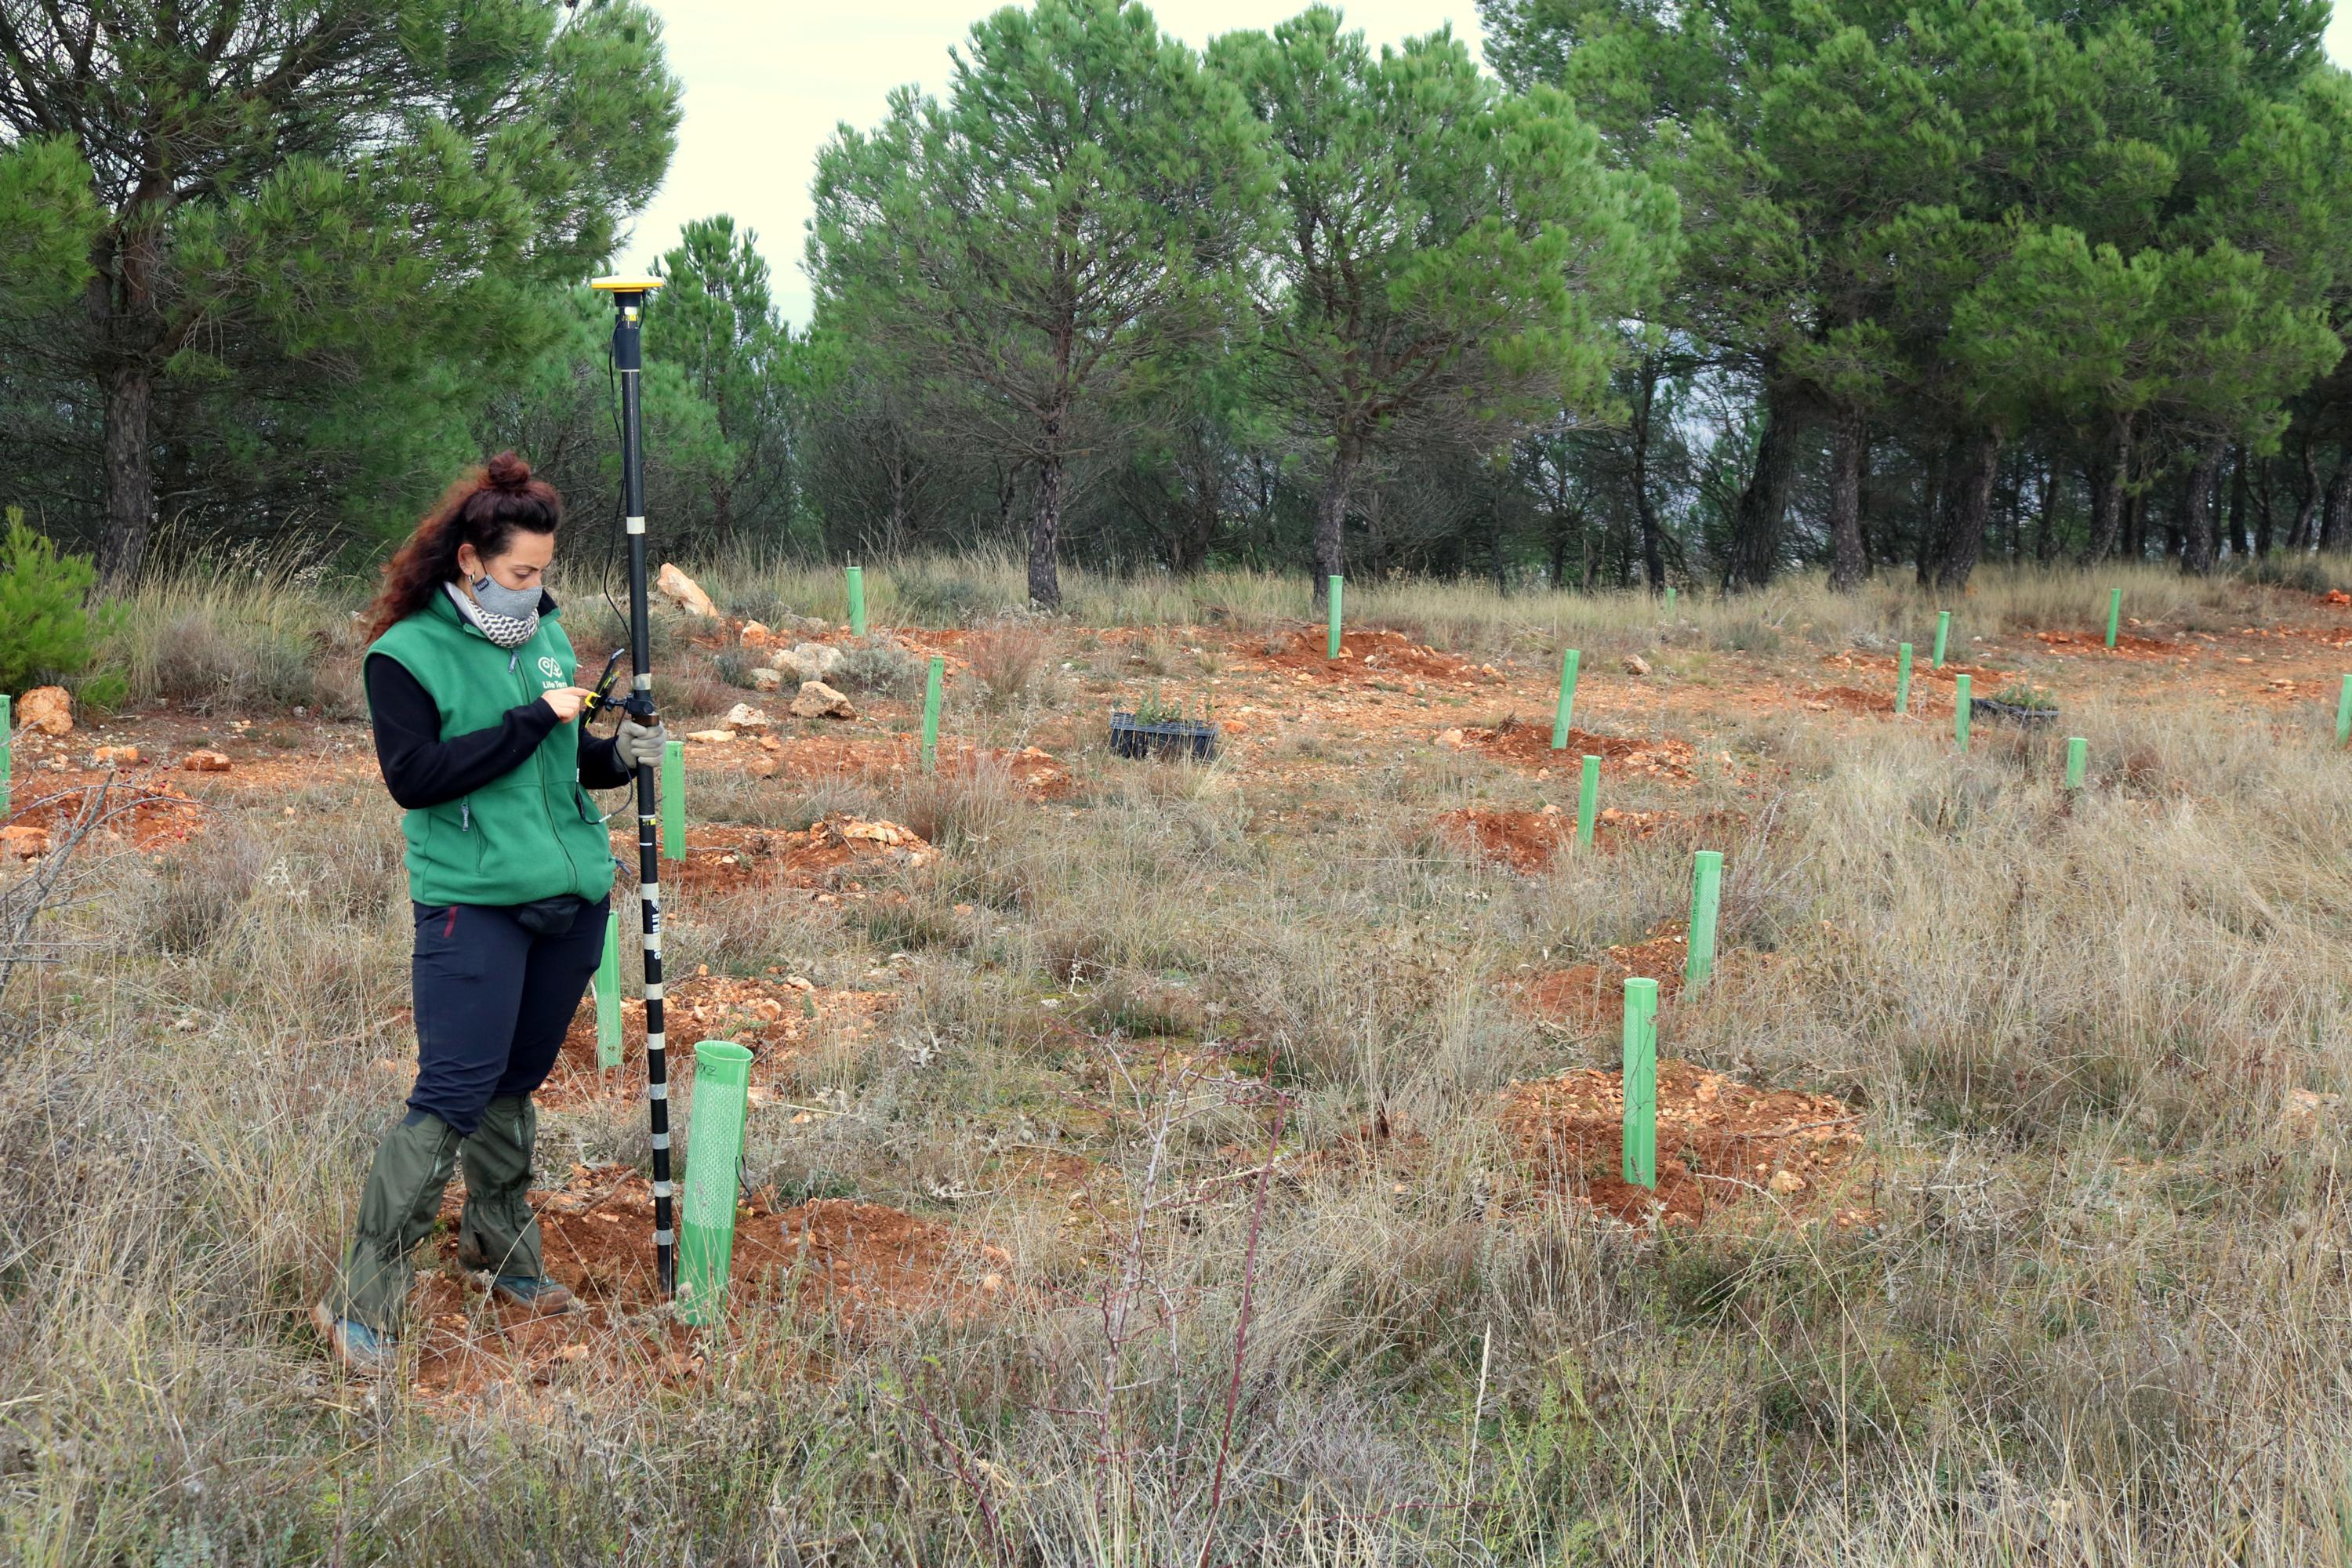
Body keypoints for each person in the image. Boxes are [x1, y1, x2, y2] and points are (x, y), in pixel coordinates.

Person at [314, 452, 665, 1373]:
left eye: (544, 571)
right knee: (453, 1091)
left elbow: (560, 762)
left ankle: (500, 1252)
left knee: (515, 1082)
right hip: (473, 902)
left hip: (571, 894)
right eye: (521, 572)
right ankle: (361, 1300)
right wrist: (530, 722)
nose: (537, 587)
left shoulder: (544, 633)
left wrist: (616, 755)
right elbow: (415, 777)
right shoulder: (403, 655)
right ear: (470, 560)